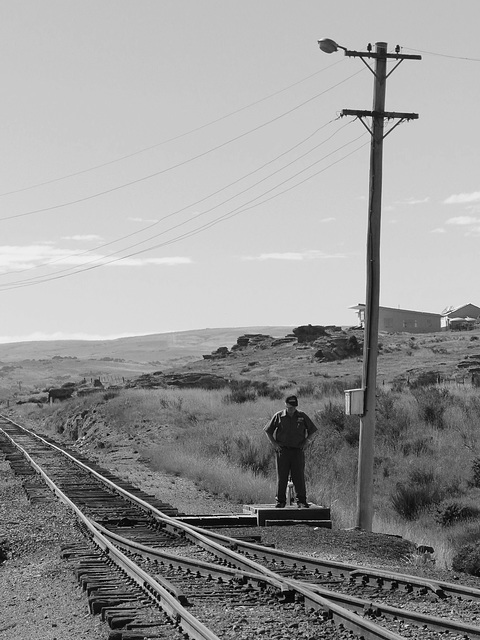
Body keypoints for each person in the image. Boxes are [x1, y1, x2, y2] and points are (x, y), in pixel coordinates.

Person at [264, 394, 318, 509]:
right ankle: (280, 501)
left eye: (294, 407)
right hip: (283, 451)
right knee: (282, 477)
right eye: (290, 407)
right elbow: (268, 431)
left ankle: (301, 501)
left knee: (298, 476)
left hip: (297, 451)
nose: (292, 410)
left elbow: (313, 430)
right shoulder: (279, 416)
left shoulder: (302, 416)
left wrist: (307, 442)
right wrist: (275, 444)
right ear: (286, 405)